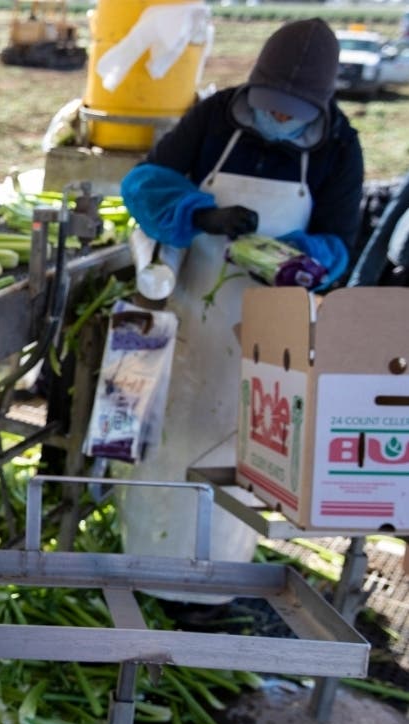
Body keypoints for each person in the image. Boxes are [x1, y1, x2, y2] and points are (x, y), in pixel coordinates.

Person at [115, 17, 364, 590]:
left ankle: (216, 583)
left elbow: (338, 242)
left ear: (319, 108)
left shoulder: (338, 146)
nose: (278, 118)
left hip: (264, 327)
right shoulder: (215, 114)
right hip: (183, 315)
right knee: (166, 435)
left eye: (293, 112)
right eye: (271, 104)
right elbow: (145, 182)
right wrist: (199, 214)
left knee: (239, 444)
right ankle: (139, 568)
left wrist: (289, 260)